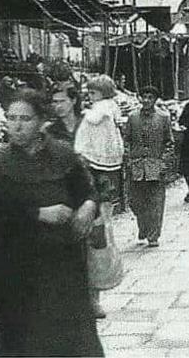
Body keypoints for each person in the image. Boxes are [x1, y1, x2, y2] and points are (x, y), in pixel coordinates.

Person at [0, 89, 101, 356]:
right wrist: (37, 214)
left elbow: (87, 191)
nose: (17, 126)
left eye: (25, 119)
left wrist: (88, 208)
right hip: (16, 270)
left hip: (63, 266)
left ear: (41, 121)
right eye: (11, 118)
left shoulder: (64, 156)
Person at [74, 73, 124, 319]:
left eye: (92, 93)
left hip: (94, 171)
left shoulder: (99, 111)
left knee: (96, 238)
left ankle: (93, 298)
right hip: (103, 171)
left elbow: (92, 122)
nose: (89, 97)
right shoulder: (111, 109)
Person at [124, 86, 174, 247]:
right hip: (136, 166)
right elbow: (126, 140)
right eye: (143, 97)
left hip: (155, 166)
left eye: (150, 97)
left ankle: (153, 235)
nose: (146, 100)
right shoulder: (132, 117)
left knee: (156, 201)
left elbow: (169, 143)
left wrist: (163, 162)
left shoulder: (163, 117)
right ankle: (143, 226)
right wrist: (128, 160)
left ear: (155, 99)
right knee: (135, 201)